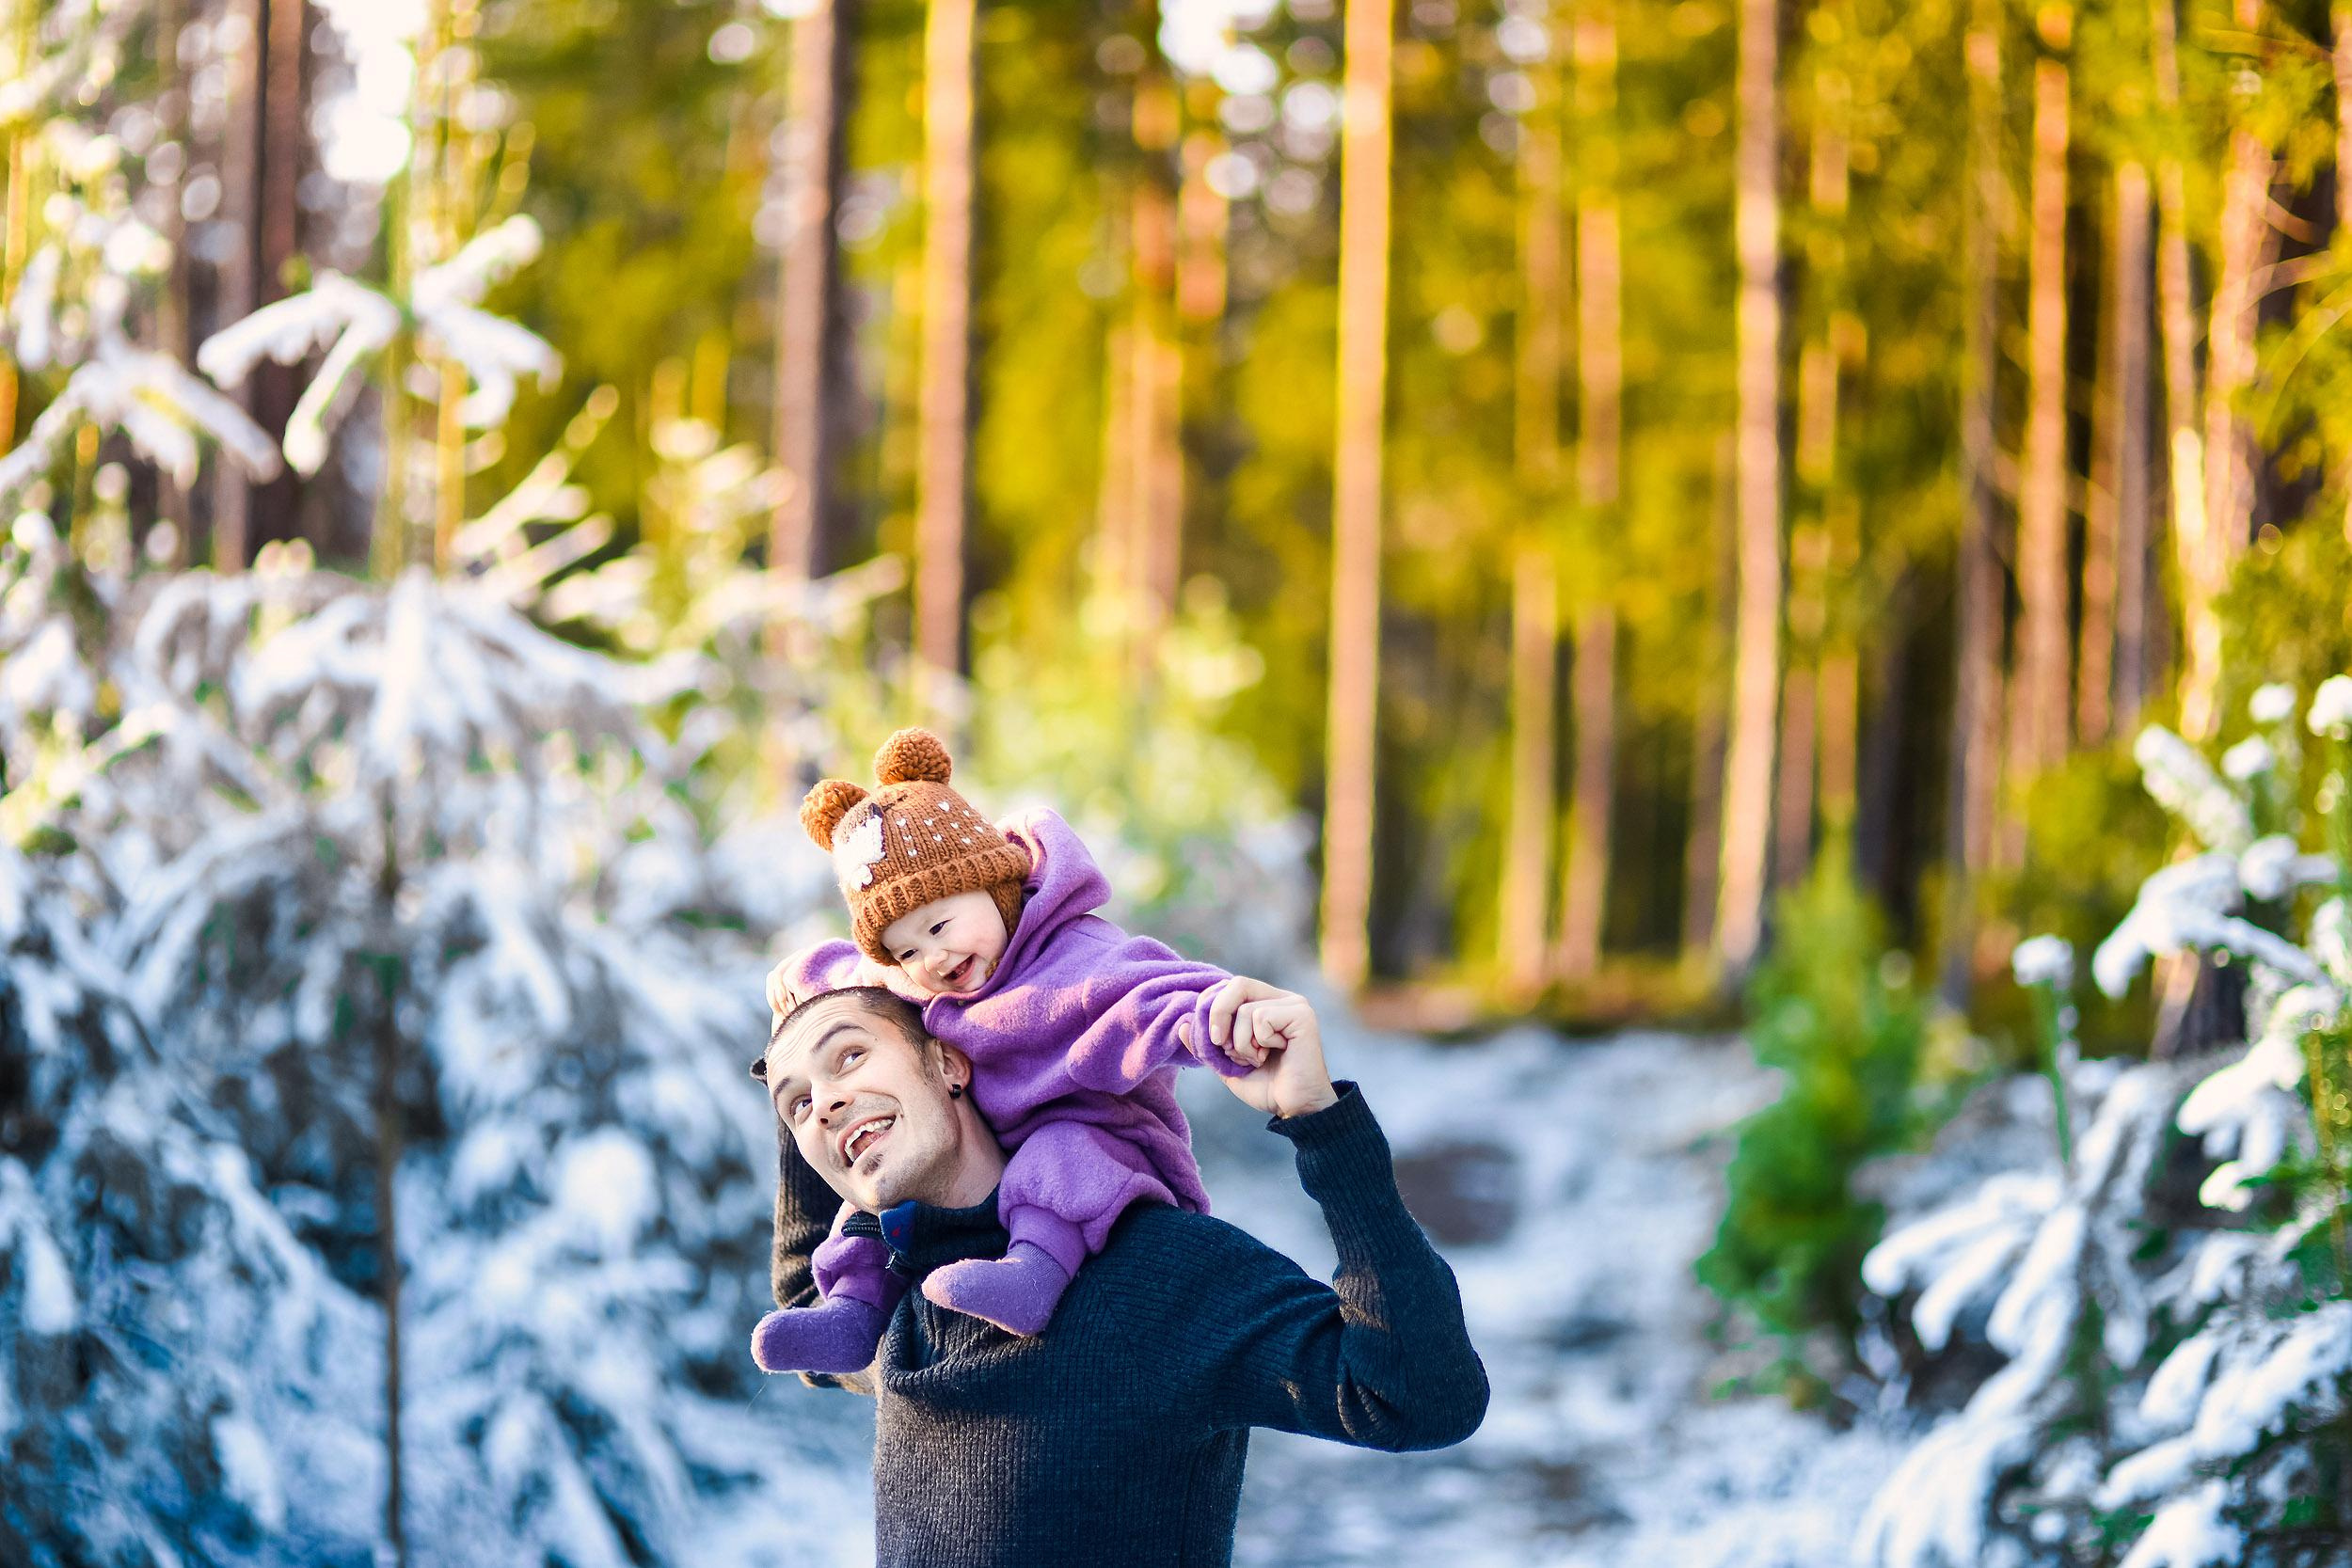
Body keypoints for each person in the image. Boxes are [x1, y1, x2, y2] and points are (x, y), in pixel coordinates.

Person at [755, 976, 1489, 1568]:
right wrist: (815, 1091)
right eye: (797, 1105)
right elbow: (804, 1306)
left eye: (849, 1055)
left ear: (949, 1061)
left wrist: (1320, 1123)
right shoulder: (894, 1306)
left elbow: (1419, 1396)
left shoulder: (1154, 1272)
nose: (823, 1101)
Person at [750, 726, 1269, 1370]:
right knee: (878, 1194)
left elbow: (1147, 993)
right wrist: (799, 984)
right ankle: (853, 1311)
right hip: (999, 1162)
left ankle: (1034, 1274)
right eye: (909, 948)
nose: (933, 957)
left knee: (1058, 1151)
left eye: (941, 926)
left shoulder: (1072, 959)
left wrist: (1206, 1023)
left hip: (1103, 1139)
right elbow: (854, 975)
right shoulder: (921, 976)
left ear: (996, 889)